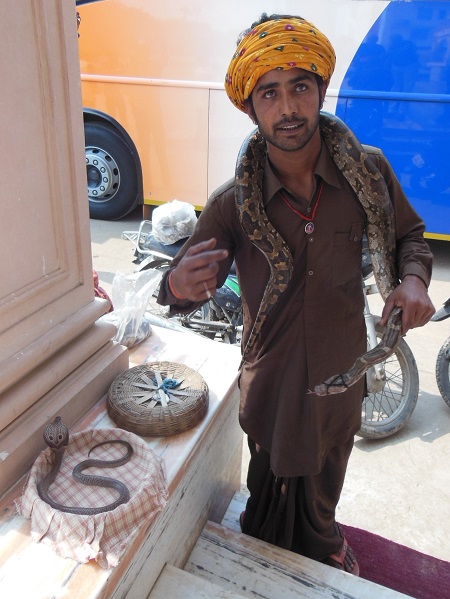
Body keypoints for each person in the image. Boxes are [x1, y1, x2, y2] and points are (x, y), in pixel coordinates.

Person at [157, 14, 434, 574]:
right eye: (270, 93)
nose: (288, 107)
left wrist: (412, 278)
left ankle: (324, 541)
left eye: (300, 87)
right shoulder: (232, 203)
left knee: (328, 477)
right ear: (250, 106)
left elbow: (410, 235)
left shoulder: (370, 172)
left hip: (342, 372)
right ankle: (266, 553)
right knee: (268, 489)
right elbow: (177, 288)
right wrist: (176, 285)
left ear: (321, 89)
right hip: (273, 384)